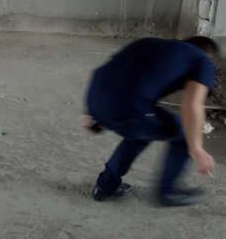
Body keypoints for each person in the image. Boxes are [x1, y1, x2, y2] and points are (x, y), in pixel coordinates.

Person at [86, 36, 218, 207]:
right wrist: (197, 149)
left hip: (95, 98)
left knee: (142, 131)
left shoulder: (153, 45)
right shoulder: (203, 60)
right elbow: (192, 105)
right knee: (185, 130)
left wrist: (96, 114)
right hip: (127, 107)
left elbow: (114, 71)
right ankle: (167, 192)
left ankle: (104, 187)